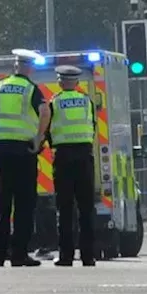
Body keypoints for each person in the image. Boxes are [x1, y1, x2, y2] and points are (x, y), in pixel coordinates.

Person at [0, 55, 51, 267]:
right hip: (24, 151)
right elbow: (45, 111)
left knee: (3, 202)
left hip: (1, 150)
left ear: (15, 66)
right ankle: (19, 255)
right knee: (24, 204)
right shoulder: (30, 88)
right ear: (29, 68)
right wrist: (38, 137)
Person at [45, 64, 97, 267]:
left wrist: (51, 145)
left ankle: (66, 255)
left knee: (65, 208)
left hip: (64, 157)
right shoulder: (87, 102)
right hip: (85, 156)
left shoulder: (55, 102)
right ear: (76, 83)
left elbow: (48, 129)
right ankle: (88, 256)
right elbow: (92, 126)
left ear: (60, 82)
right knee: (86, 209)